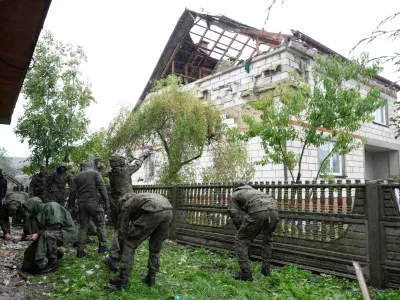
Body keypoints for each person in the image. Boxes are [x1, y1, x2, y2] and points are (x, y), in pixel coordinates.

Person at [107, 193, 172, 289]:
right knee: (155, 247)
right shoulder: (141, 198)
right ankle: (151, 278)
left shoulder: (126, 204)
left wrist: (121, 252)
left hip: (153, 209)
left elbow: (122, 232)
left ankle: (122, 279)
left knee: (129, 243)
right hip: (168, 210)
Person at [227, 180, 279, 281]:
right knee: (267, 240)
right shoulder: (254, 191)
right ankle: (266, 270)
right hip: (274, 210)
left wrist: (240, 228)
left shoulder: (235, 194)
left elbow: (232, 211)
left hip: (258, 210)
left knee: (240, 240)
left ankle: (245, 274)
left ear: (235, 187)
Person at [20, 197, 77, 275]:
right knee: (32, 248)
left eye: (29, 208)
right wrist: (26, 236)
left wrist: (38, 234)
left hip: (66, 232)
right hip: (51, 233)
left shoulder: (52, 206)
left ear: (35, 206)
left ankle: (53, 263)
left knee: (47, 236)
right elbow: (32, 230)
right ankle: (31, 267)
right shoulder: (35, 215)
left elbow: (55, 226)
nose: (28, 211)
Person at [68, 162, 109, 257]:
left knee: (83, 227)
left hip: (81, 204)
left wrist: (71, 206)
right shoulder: (95, 173)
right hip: (93, 203)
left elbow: (72, 193)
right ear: (89, 167)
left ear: (82, 168)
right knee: (101, 224)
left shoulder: (77, 177)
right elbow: (102, 188)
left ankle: (80, 251)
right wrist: (106, 202)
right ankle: (102, 246)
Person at [108, 151, 151, 228]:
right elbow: (137, 164)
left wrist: (130, 159)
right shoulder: (125, 170)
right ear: (120, 162)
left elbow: (123, 164)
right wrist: (142, 157)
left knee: (117, 220)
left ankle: (117, 234)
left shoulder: (110, 172)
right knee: (127, 218)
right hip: (126, 198)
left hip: (114, 200)